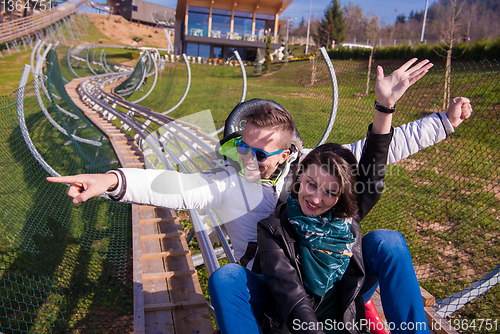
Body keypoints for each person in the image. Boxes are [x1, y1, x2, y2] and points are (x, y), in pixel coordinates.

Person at [46, 59, 471, 271]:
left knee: (385, 244)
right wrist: (110, 179)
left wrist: (443, 123)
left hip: (319, 269)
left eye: (260, 153)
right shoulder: (230, 184)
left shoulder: (313, 168)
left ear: (288, 154)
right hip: (266, 279)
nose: (246, 160)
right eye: (239, 149)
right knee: (228, 281)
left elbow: (378, 151)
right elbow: (172, 185)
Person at [208, 90, 395, 334]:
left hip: (338, 315)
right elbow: (291, 295)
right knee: (227, 277)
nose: (316, 198)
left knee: (389, 241)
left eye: (330, 191)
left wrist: (386, 107)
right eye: (311, 185)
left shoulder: (342, 217)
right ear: (299, 178)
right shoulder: (275, 228)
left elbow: (373, 173)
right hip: (292, 316)